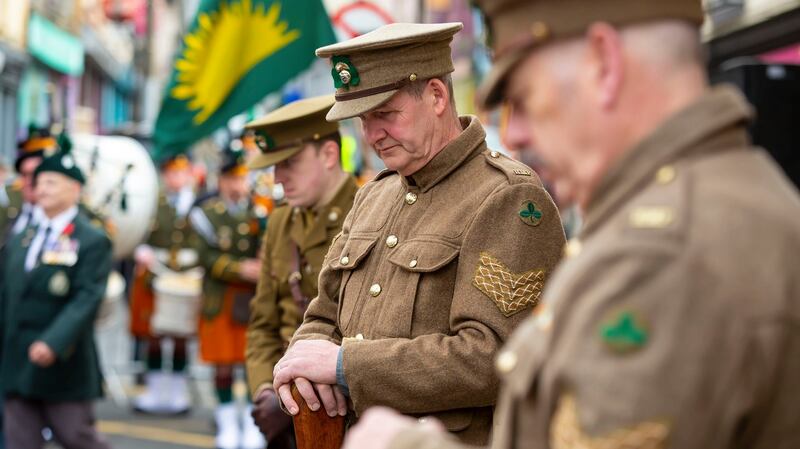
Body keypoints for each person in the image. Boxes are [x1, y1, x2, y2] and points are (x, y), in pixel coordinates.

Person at [341, 1, 800, 448]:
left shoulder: (665, 253)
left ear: (604, 64)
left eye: (523, 97)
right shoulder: (695, 209)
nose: (515, 132)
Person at [270, 23, 566, 446]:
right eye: (364, 120)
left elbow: (497, 355)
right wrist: (301, 362)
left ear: (437, 96)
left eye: (385, 114)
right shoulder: (375, 194)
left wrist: (344, 366)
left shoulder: (507, 197)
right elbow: (323, 315)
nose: (372, 135)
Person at [244, 95, 359, 449]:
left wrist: (292, 400)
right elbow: (263, 322)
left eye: (290, 162)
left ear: (327, 155)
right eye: (275, 166)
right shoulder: (281, 221)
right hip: (281, 413)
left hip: (340, 417)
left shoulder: (368, 215)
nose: (278, 178)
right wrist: (266, 390)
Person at [0, 138, 113, 449]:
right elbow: (6, 291)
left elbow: (87, 297)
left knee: (77, 437)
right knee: (20, 440)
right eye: (40, 182)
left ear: (75, 189)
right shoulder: (24, 236)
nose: (43, 188)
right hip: (16, 359)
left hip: (62, 363)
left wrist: (53, 341)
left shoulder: (91, 239)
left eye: (53, 182)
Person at [189, 145, 266, 449]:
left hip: (251, 300)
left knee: (251, 363)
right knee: (222, 364)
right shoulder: (207, 215)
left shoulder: (257, 213)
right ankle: (225, 421)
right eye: (233, 179)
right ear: (221, 181)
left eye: (242, 178)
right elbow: (204, 256)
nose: (238, 186)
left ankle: (250, 421)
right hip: (220, 299)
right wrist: (239, 268)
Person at [129, 155, 198, 414]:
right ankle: (156, 390)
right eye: (170, 173)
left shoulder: (200, 203)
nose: (175, 178)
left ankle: (178, 392)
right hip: (156, 275)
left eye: (180, 172)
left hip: (188, 275)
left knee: (181, 335)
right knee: (154, 333)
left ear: (189, 173)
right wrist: (142, 249)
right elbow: (139, 232)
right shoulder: (154, 204)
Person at [0, 127, 57, 245]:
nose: (29, 181)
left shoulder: (60, 215)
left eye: (35, 175)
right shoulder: (12, 208)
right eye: (24, 175)